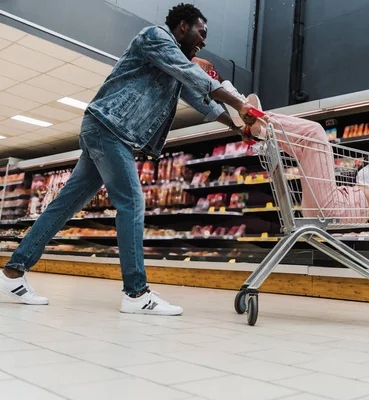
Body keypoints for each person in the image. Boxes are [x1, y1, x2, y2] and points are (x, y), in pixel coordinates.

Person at [0, 3, 255, 315]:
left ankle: (12, 273)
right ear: (183, 26)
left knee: (64, 205)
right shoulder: (155, 37)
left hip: (108, 130)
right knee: (132, 202)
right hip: (110, 127)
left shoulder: (173, 62)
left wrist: (235, 126)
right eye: (201, 32)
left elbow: (194, 93)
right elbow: (193, 75)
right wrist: (240, 104)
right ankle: (136, 293)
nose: (203, 40)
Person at [230, 57, 369, 224]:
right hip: (327, 205)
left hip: (337, 207)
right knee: (305, 147)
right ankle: (262, 131)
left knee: (315, 132)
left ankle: (262, 120)